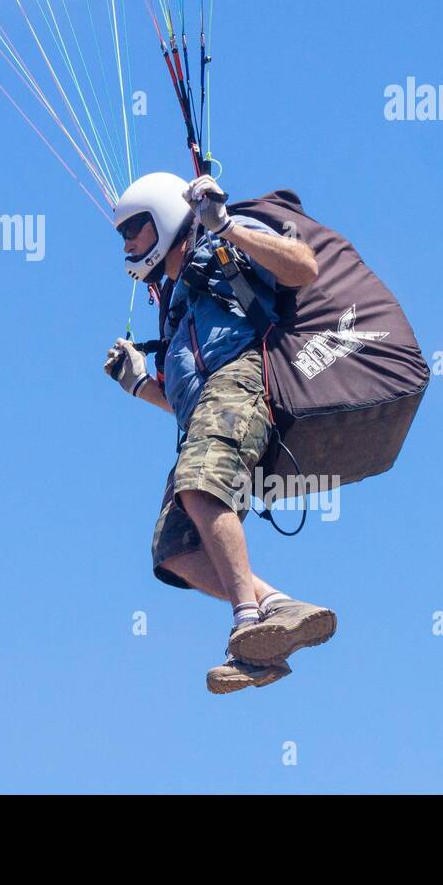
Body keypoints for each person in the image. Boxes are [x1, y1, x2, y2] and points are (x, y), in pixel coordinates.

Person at [105, 172, 338, 694]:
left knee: (200, 485)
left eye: (134, 228)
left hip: (241, 380)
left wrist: (226, 223)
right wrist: (141, 383)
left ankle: (247, 624)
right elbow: (185, 404)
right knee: (173, 549)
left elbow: (303, 267)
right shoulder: (173, 301)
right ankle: (277, 616)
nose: (127, 243)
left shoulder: (219, 247)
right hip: (202, 412)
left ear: (164, 217)